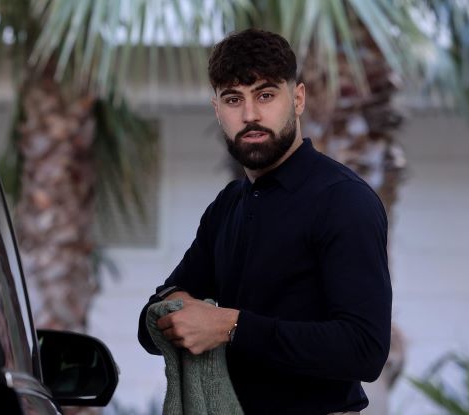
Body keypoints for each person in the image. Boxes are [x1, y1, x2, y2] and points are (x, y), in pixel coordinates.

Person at [138, 29, 392, 415]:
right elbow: (152, 320)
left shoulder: (343, 200)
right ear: (217, 109)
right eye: (233, 99)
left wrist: (230, 326)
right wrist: (173, 308)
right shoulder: (228, 205)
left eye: (266, 95)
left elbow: (365, 350)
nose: (250, 115)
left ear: (298, 99)